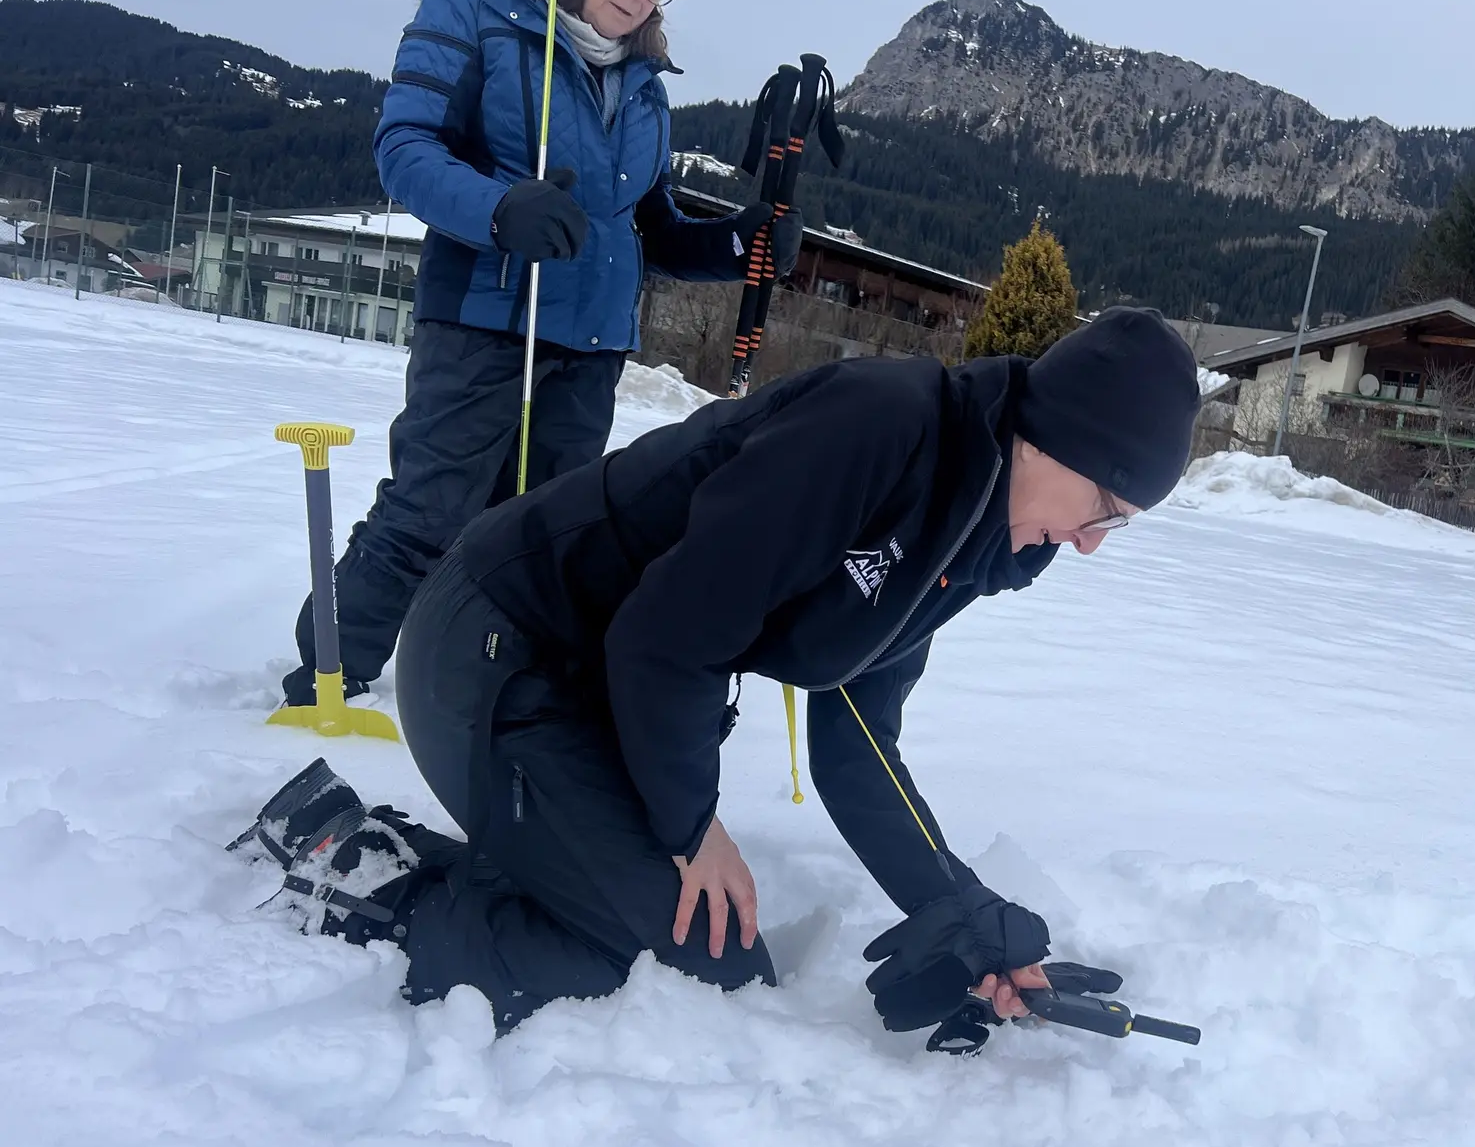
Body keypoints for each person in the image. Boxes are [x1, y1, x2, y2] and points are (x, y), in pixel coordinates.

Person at [238, 309, 1202, 1039]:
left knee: (713, 957)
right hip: (500, 648)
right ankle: (361, 875)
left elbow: (857, 741)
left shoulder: (962, 532)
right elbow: (667, 635)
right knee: (675, 974)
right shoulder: (885, 427)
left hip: (601, 695)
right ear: (1061, 439)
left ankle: (487, 855)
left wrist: (961, 912)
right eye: (1106, 506)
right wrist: (691, 825)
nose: (1089, 543)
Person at [281, 0, 800, 705]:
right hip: (486, 318)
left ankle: (495, 691)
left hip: (590, 347)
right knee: (429, 516)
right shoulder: (473, 12)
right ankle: (327, 678)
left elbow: (649, 226)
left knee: (544, 538)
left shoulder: (646, 83)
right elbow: (405, 148)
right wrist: (497, 209)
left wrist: (735, 246)